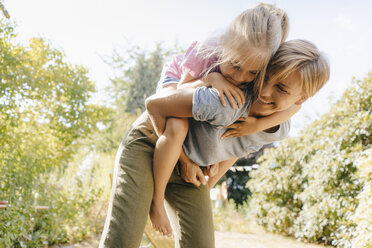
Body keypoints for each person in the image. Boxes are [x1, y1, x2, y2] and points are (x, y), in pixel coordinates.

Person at [99, 39, 330, 248]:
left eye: (281, 88)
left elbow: (237, 148)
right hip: (151, 142)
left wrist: (210, 175)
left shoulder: (278, 129)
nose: (264, 90)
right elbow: (156, 106)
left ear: (300, 100)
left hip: (191, 168)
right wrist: (186, 159)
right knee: (124, 240)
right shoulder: (223, 100)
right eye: (265, 77)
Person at [149, 3, 293, 236]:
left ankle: (202, 192)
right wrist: (214, 78)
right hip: (179, 81)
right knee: (177, 127)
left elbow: (294, 106)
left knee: (239, 136)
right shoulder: (210, 46)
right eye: (235, 66)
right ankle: (156, 202)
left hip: (206, 92)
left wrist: (257, 125)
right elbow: (183, 89)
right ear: (226, 48)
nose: (239, 78)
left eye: (252, 73)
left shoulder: (262, 61)